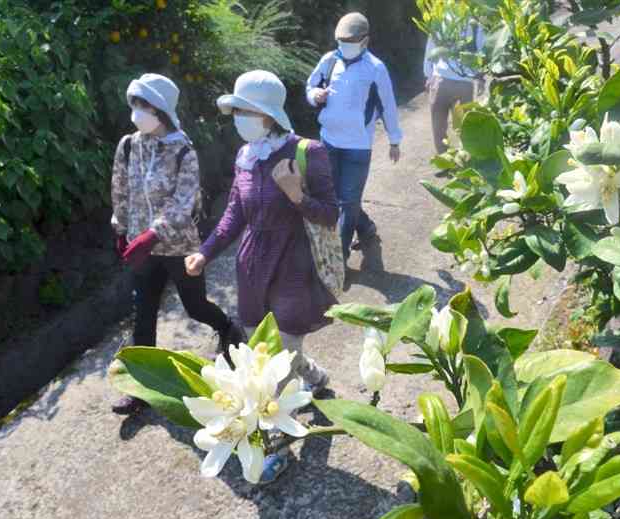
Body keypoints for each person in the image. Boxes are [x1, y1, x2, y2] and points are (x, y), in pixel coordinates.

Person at [184, 70, 339, 483]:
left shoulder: (309, 152)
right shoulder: (246, 156)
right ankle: (318, 378)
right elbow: (234, 214)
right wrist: (204, 251)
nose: (237, 116)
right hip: (252, 267)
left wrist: (295, 194)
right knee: (264, 353)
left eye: (244, 110)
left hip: (294, 267)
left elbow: (330, 213)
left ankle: (272, 450)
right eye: (234, 110)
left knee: (272, 372)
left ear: (269, 115)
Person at [110, 73, 243, 415]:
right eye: (135, 104)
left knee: (195, 306)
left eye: (146, 105)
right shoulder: (128, 145)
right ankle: (141, 388)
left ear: (163, 111)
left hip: (179, 245)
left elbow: (184, 201)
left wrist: (154, 232)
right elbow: (120, 188)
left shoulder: (183, 151)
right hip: (142, 248)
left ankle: (228, 329)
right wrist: (121, 227)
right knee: (144, 313)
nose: (138, 112)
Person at [305, 12, 403, 263]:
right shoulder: (329, 61)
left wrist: (394, 140)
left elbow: (388, 105)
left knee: (347, 203)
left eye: (350, 41)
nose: (344, 46)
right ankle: (367, 228)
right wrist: (315, 95)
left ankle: (340, 257)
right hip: (328, 140)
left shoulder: (375, 68)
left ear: (365, 41)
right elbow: (310, 86)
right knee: (338, 196)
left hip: (358, 146)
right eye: (341, 42)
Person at [424, 21, 486, 170]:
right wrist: (428, 74)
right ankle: (446, 163)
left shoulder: (475, 23)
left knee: (464, 126)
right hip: (442, 79)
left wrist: (480, 77)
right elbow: (431, 45)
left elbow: (482, 50)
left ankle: (465, 161)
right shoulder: (441, 17)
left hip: (463, 81)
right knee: (439, 125)